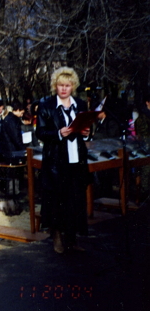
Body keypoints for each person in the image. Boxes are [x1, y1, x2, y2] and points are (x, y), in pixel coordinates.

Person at [36, 67, 90, 254]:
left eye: (67, 85)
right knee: (57, 200)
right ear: (55, 86)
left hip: (77, 160)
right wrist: (58, 133)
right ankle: (57, 237)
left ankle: (72, 239)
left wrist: (86, 133)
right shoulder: (46, 104)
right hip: (56, 162)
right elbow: (40, 132)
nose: (64, 89)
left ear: (73, 86)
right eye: (60, 85)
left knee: (75, 200)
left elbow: (87, 129)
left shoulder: (80, 104)